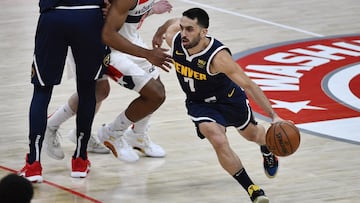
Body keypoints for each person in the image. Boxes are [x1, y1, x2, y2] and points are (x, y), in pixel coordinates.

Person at [152, 8, 284, 203]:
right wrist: (158, 32)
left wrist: (274, 116)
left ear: (203, 32)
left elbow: (248, 84)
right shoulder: (176, 38)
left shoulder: (218, 57)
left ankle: (266, 148)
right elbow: (171, 23)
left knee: (253, 135)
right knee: (217, 139)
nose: (184, 33)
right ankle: (252, 189)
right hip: (200, 104)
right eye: (182, 28)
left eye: (190, 29)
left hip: (229, 100)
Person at [44, 0, 173, 163]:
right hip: (99, 42)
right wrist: (147, 53)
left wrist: (150, 10)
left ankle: (136, 136)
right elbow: (109, 32)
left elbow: (128, 13)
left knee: (154, 88)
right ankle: (56, 126)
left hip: (127, 39)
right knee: (100, 90)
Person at [18, 0, 110, 182]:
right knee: (87, 89)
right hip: (89, 15)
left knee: (41, 91)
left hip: (54, 14)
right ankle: (80, 160)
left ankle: (33, 165)